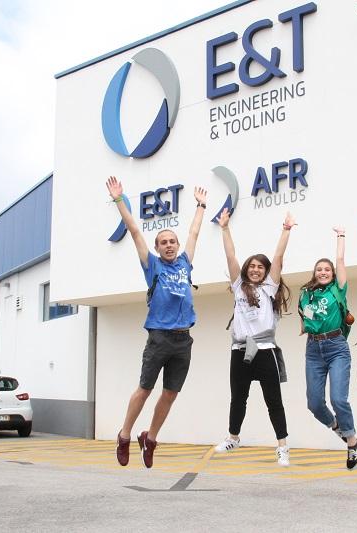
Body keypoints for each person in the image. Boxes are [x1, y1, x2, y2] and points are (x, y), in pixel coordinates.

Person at [106, 175, 207, 469]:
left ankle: (149, 439)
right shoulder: (152, 265)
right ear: (158, 247)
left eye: (172, 241)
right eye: (164, 242)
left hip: (183, 339)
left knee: (170, 394)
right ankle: (124, 435)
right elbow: (134, 230)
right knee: (145, 389)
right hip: (159, 337)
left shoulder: (185, 262)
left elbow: (195, 232)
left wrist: (201, 206)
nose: (169, 245)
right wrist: (119, 200)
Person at [213, 208, 295, 467]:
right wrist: (225, 228)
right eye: (252, 266)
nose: (256, 270)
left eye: (260, 267)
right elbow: (230, 255)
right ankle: (233, 438)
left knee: (274, 401)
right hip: (240, 351)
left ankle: (282, 447)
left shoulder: (269, 287)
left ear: (266, 271)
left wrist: (286, 230)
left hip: (264, 349)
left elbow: (278, 257)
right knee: (238, 398)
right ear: (246, 270)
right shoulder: (239, 287)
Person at [298, 226, 357, 470]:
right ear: (314, 274)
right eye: (319, 269)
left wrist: (341, 236)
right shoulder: (306, 293)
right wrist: (303, 326)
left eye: (327, 269)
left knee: (338, 399)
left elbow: (341, 260)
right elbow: (305, 315)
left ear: (332, 274)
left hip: (336, 347)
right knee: (314, 403)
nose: (323, 272)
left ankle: (352, 441)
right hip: (313, 349)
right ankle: (338, 428)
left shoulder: (338, 289)